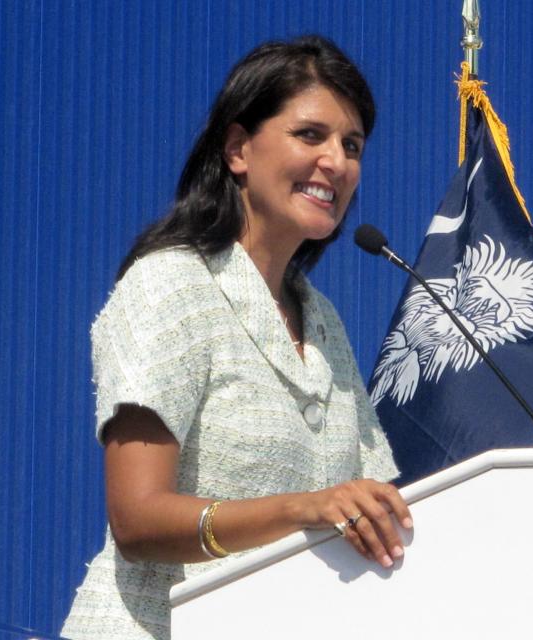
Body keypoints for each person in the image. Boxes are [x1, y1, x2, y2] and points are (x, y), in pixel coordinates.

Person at [61, 35, 412, 640]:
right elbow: (137, 520)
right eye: (311, 135)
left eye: (352, 145)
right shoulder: (171, 284)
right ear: (237, 149)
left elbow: (372, 501)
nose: (337, 162)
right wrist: (305, 507)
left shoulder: (323, 321)